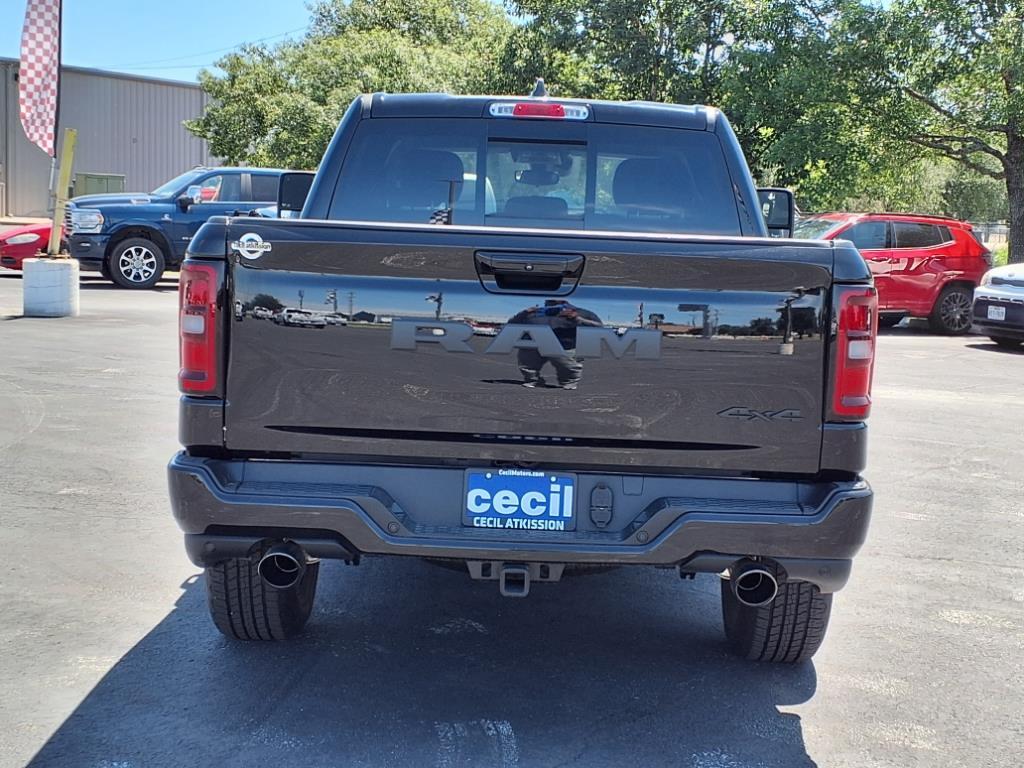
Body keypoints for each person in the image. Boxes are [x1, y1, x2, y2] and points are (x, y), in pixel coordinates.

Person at [507, 299, 602, 389]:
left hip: (565, 345)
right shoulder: (533, 312)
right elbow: (511, 323)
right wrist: (524, 313)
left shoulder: (581, 312)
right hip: (534, 344)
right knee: (527, 364)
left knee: (568, 367)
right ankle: (533, 380)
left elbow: (599, 327)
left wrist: (577, 318)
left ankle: (569, 383)